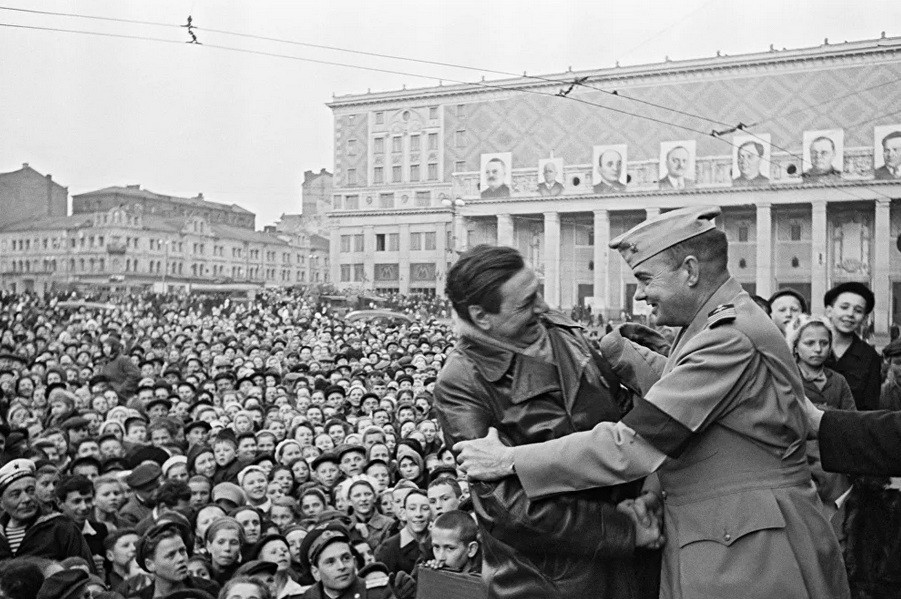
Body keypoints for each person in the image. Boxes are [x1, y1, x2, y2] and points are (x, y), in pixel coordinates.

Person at [454, 206, 850, 599]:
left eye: (645, 278)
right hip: (733, 533)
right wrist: (612, 351)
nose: (640, 293)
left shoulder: (726, 336)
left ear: (690, 272)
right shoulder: (714, 322)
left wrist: (511, 460)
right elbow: (685, 388)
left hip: (752, 546)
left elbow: (637, 442)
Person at [435, 244, 658, 599]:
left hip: (634, 556)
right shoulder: (462, 381)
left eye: (537, 291)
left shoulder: (559, 328)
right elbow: (507, 508)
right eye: (525, 303)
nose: (542, 306)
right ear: (481, 317)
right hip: (551, 579)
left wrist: (647, 495)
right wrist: (622, 529)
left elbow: (623, 411)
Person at [785, 316, 854, 515]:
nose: (818, 349)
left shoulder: (838, 381)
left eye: (824, 343)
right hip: (800, 457)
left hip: (834, 457)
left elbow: (850, 419)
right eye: (809, 343)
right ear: (795, 347)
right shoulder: (789, 379)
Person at [0, 458, 96, 567]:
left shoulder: (62, 529)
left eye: (30, 490)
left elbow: (87, 575)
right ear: (1, 502)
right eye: (16, 494)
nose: (26, 499)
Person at [823, 282, 881, 411]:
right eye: (844, 307)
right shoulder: (809, 348)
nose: (850, 314)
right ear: (829, 311)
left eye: (858, 310)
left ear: (865, 319)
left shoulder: (870, 357)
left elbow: (870, 409)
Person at [128, 521, 220, 599]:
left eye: (182, 551)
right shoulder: (139, 597)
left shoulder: (209, 590)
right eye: (171, 555)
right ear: (150, 564)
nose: (181, 559)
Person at [300, 528, 395, 599]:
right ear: (316, 572)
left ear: (355, 562)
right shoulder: (305, 597)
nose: (341, 566)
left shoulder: (379, 594)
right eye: (330, 562)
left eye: (346, 558)